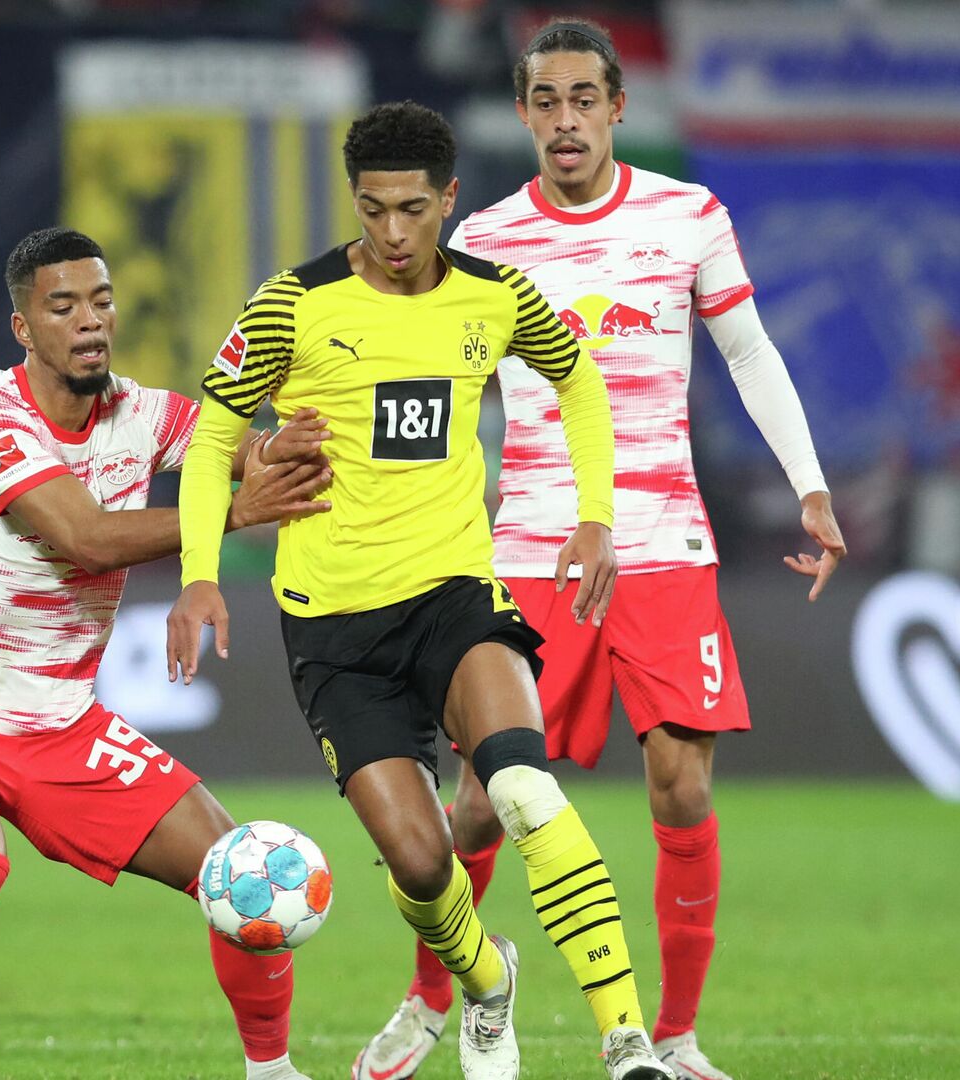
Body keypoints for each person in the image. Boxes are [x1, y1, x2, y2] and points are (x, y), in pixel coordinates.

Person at [354, 22, 847, 1080]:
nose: (566, 119)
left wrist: (810, 485)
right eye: (546, 100)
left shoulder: (688, 217)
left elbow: (748, 352)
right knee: (481, 799)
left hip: (666, 544)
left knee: (683, 788)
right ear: (525, 113)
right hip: (531, 548)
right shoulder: (484, 241)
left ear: (617, 108)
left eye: (585, 98)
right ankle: (434, 997)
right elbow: (435, 389)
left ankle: (676, 1038)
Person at [169, 102, 675, 1080]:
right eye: (372, 211)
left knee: (523, 789)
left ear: (449, 199)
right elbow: (212, 444)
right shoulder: (292, 304)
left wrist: (596, 513)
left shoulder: (497, 297)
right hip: (333, 626)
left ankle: (628, 1040)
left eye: (411, 209)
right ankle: (487, 985)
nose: (393, 234)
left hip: (454, 594)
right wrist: (198, 576)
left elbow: (577, 380)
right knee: (420, 862)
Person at [0, 227, 333, 1080]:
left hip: (62, 725)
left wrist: (293, 444)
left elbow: (237, 448)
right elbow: (85, 538)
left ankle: (273, 1072)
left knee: (242, 878)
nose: (90, 321)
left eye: (102, 300)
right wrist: (235, 513)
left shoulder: (142, 414)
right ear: (23, 328)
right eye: (63, 306)